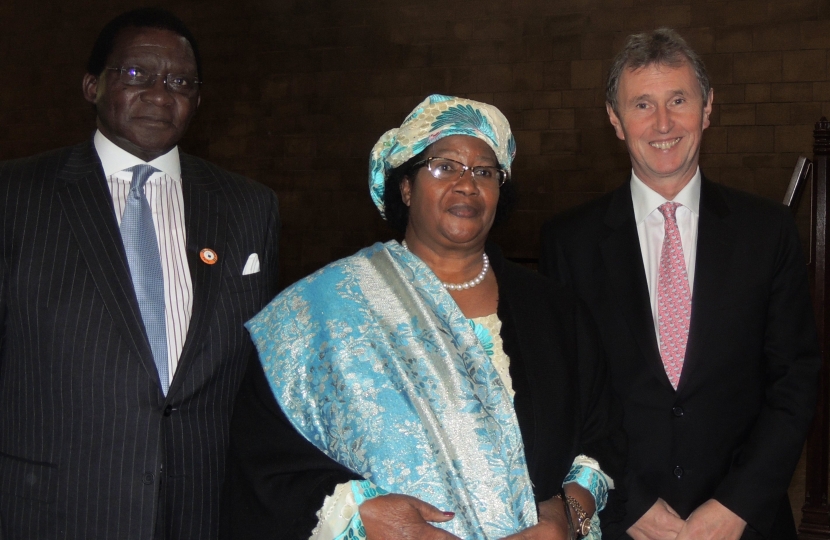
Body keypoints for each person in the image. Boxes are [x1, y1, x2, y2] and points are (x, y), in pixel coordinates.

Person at [223, 94, 625, 540]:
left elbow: (602, 440)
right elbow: (262, 463)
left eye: (484, 172)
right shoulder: (323, 310)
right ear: (406, 186)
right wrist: (361, 517)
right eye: (444, 166)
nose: (466, 184)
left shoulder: (554, 311)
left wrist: (564, 516)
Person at [0, 8, 279, 539]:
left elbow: (255, 377)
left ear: (197, 99)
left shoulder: (249, 208)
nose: (158, 92)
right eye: (135, 75)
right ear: (91, 85)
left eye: (179, 81)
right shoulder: (16, 197)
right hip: (50, 511)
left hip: (201, 510)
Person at [540, 28, 821, 540]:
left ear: (708, 108)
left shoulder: (768, 232)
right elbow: (566, 396)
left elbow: (794, 383)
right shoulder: (569, 243)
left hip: (745, 524)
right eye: (642, 104)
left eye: (678, 100)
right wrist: (629, 504)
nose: (663, 123)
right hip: (625, 523)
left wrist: (734, 506)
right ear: (615, 119)